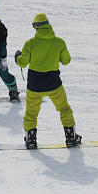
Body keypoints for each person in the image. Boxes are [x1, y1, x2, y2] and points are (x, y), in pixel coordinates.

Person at [14, 13, 81, 149]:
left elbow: (22, 63)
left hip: (34, 85)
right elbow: (66, 61)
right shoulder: (59, 42)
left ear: (37, 27)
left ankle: (31, 139)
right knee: (64, 109)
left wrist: (17, 57)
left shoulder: (30, 43)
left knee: (31, 113)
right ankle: (70, 137)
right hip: (54, 83)